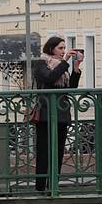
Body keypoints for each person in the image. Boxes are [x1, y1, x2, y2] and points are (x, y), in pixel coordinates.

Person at [31, 36, 82, 193]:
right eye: (60, 48)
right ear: (51, 48)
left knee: (59, 151)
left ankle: (53, 184)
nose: (63, 51)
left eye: (64, 48)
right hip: (45, 113)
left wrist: (75, 68)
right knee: (44, 151)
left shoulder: (62, 67)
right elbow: (49, 77)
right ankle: (40, 187)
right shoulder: (41, 63)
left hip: (61, 114)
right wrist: (65, 62)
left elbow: (70, 89)